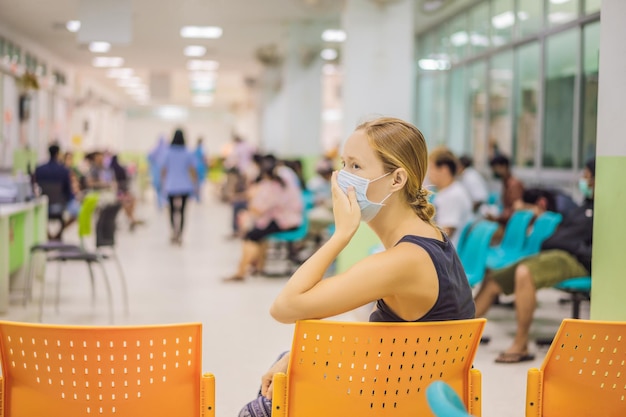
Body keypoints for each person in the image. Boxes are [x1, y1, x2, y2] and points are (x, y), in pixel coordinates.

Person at [238, 117, 475, 417]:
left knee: (259, 408)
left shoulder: (403, 261)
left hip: (393, 404)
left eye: (356, 167)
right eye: (343, 163)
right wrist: (303, 356)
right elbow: (394, 340)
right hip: (414, 395)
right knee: (288, 358)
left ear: (397, 180)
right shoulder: (432, 238)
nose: (341, 177)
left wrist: (340, 235)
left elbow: (284, 307)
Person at [474, 159, 595, 364]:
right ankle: (460, 338)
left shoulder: (605, 212)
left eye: (586, 176)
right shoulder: (583, 207)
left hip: (575, 261)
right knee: (494, 279)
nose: (583, 180)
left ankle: (521, 344)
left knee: (524, 272)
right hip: (553, 255)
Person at [224, 155, 303, 281]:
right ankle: (257, 267)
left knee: (251, 235)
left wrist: (249, 206)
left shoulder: (274, 187)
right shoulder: (282, 182)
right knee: (257, 232)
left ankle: (240, 272)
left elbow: (260, 209)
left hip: (285, 222)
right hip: (289, 219)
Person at [427, 147, 473, 247]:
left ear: (444, 170)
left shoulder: (452, 195)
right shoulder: (451, 190)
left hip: (447, 253)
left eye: (431, 168)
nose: (429, 174)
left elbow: (445, 233)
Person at [34, 144, 80, 240]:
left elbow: (34, 187)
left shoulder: (39, 169)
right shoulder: (64, 170)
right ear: (58, 154)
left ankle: (50, 236)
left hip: (43, 205)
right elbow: (68, 191)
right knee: (78, 212)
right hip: (60, 205)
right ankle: (57, 235)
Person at [161, 129, 198, 245]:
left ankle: (173, 232)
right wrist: (195, 184)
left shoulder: (168, 152)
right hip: (185, 185)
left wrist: (163, 183)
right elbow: (192, 170)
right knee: (182, 212)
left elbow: (164, 170)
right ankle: (180, 234)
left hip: (171, 185)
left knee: (172, 211)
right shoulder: (187, 152)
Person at [487, 154, 524, 226]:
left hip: (512, 225)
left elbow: (516, 210)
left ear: (503, 167)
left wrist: (496, 218)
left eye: (495, 168)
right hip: (507, 222)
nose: (493, 172)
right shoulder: (506, 183)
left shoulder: (513, 185)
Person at [110, 155, 143, 231]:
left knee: (128, 204)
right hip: (122, 192)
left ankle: (132, 219)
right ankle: (133, 220)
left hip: (121, 192)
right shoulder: (119, 169)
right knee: (127, 204)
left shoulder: (114, 169)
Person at [193, 137, 209, 202]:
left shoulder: (195, 149)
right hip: (201, 167)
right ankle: (199, 197)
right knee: (201, 183)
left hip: (196, 167)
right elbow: (204, 158)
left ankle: (197, 196)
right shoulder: (202, 149)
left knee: (196, 182)